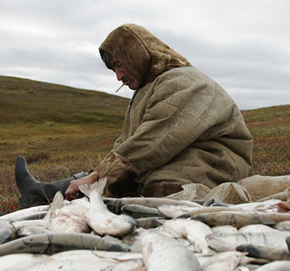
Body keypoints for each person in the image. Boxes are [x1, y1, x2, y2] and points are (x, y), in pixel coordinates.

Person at [15, 23, 253, 206]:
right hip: (182, 155)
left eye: (120, 65)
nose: (118, 76)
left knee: (158, 186)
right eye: (114, 70)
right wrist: (96, 175)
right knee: (123, 179)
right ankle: (44, 193)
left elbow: (153, 142)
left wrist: (98, 176)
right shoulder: (151, 87)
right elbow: (127, 143)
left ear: (136, 55)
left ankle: (52, 193)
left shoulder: (183, 82)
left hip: (216, 160)